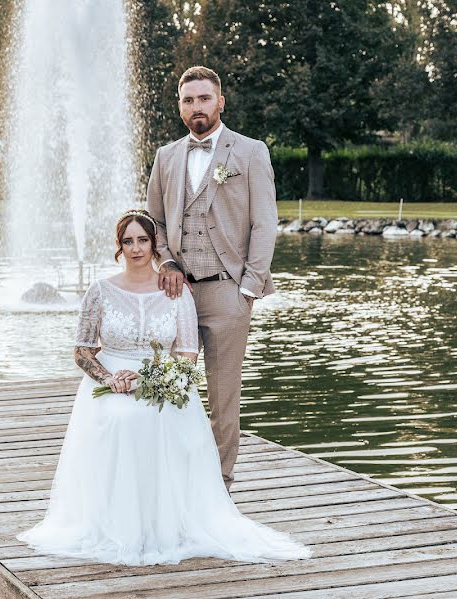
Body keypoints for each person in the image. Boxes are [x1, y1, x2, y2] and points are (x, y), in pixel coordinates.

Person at [17, 210, 309, 566]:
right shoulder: (100, 291)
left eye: (143, 240)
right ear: (119, 247)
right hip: (111, 380)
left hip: (162, 380)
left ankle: (165, 522)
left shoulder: (175, 292)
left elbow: (187, 352)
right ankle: (117, 523)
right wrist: (109, 379)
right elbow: (81, 350)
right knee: (121, 419)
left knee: (156, 418)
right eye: (128, 241)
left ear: (155, 245)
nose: (136, 248)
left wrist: (151, 379)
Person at [147, 66, 278, 490]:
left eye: (204, 99)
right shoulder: (166, 156)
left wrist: (248, 287)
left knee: (223, 397)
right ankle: (169, 476)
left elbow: (265, 224)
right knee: (169, 388)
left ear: (220, 102)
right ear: (180, 106)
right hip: (176, 293)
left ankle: (218, 484)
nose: (196, 107)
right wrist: (165, 264)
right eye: (188, 100)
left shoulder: (251, 152)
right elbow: (155, 222)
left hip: (228, 290)